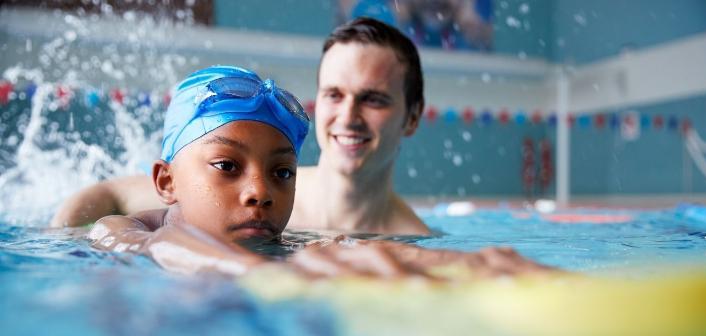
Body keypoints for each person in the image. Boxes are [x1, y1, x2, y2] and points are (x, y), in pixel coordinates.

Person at [89, 65, 552, 279]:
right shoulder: (122, 228)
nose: (259, 192)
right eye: (227, 166)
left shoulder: (278, 242)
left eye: (282, 173)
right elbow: (161, 246)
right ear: (166, 182)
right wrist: (267, 276)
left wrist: (468, 263)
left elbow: (343, 250)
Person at [51, 17, 431, 236]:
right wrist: (63, 251)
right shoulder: (225, 184)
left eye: (373, 99)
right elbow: (107, 194)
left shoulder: (410, 240)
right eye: (334, 95)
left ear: (413, 117)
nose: (348, 117)